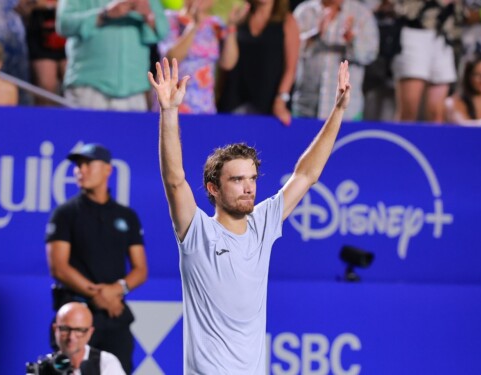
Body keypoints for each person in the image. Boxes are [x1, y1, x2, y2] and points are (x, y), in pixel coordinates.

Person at [149, 57, 350, 373]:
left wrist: (337, 111)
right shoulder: (197, 232)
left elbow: (306, 174)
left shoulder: (263, 224)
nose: (248, 188)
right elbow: (175, 179)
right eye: (237, 180)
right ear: (212, 188)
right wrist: (169, 111)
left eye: (252, 179)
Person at [45, 143, 148, 374]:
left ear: (107, 170)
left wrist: (116, 290)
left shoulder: (127, 216)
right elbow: (59, 267)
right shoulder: (65, 214)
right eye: (78, 165)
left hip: (114, 316)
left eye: (88, 164)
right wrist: (100, 295)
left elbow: (140, 269)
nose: (81, 170)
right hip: (76, 317)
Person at [56, 0, 168, 111]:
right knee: (83, 129)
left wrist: (148, 15)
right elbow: (63, 24)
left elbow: (163, 31)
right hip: (88, 87)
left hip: (134, 90)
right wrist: (104, 14)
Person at [154, 0, 247, 114]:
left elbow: (228, 64)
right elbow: (172, 58)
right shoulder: (170, 19)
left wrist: (232, 26)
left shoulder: (215, 24)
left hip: (204, 107)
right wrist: (195, 25)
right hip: (172, 106)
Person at [216, 0, 300, 126]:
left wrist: (280, 101)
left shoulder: (287, 21)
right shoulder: (240, 17)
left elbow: (291, 69)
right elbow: (226, 63)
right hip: (234, 98)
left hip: (268, 101)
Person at [293, 0, 378, 120]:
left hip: (348, 111)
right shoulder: (304, 11)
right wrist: (315, 35)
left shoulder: (362, 13)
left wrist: (352, 41)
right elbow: (289, 51)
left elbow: (370, 55)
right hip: (305, 105)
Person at [392, 0, 461, 123]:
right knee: (409, 112)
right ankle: (400, 141)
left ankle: (434, 142)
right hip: (415, 29)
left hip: (444, 34)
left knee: (437, 114)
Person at [32, 302, 126, 375]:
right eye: (65, 329)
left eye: (79, 330)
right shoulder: (45, 368)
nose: (71, 337)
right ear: (55, 329)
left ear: (90, 332)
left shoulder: (105, 363)